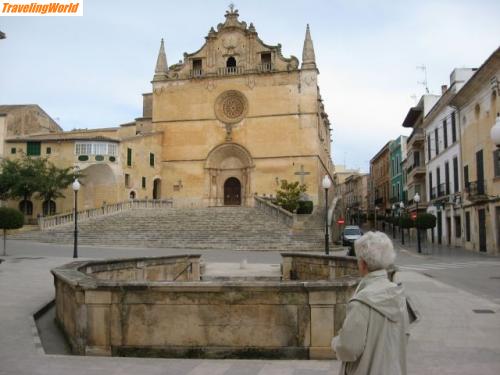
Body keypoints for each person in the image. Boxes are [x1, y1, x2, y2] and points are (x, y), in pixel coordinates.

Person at [332, 231, 409, 375]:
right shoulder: (399, 296)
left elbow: (349, 348)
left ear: (363, 264)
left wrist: (336, 342)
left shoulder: (362, 302)